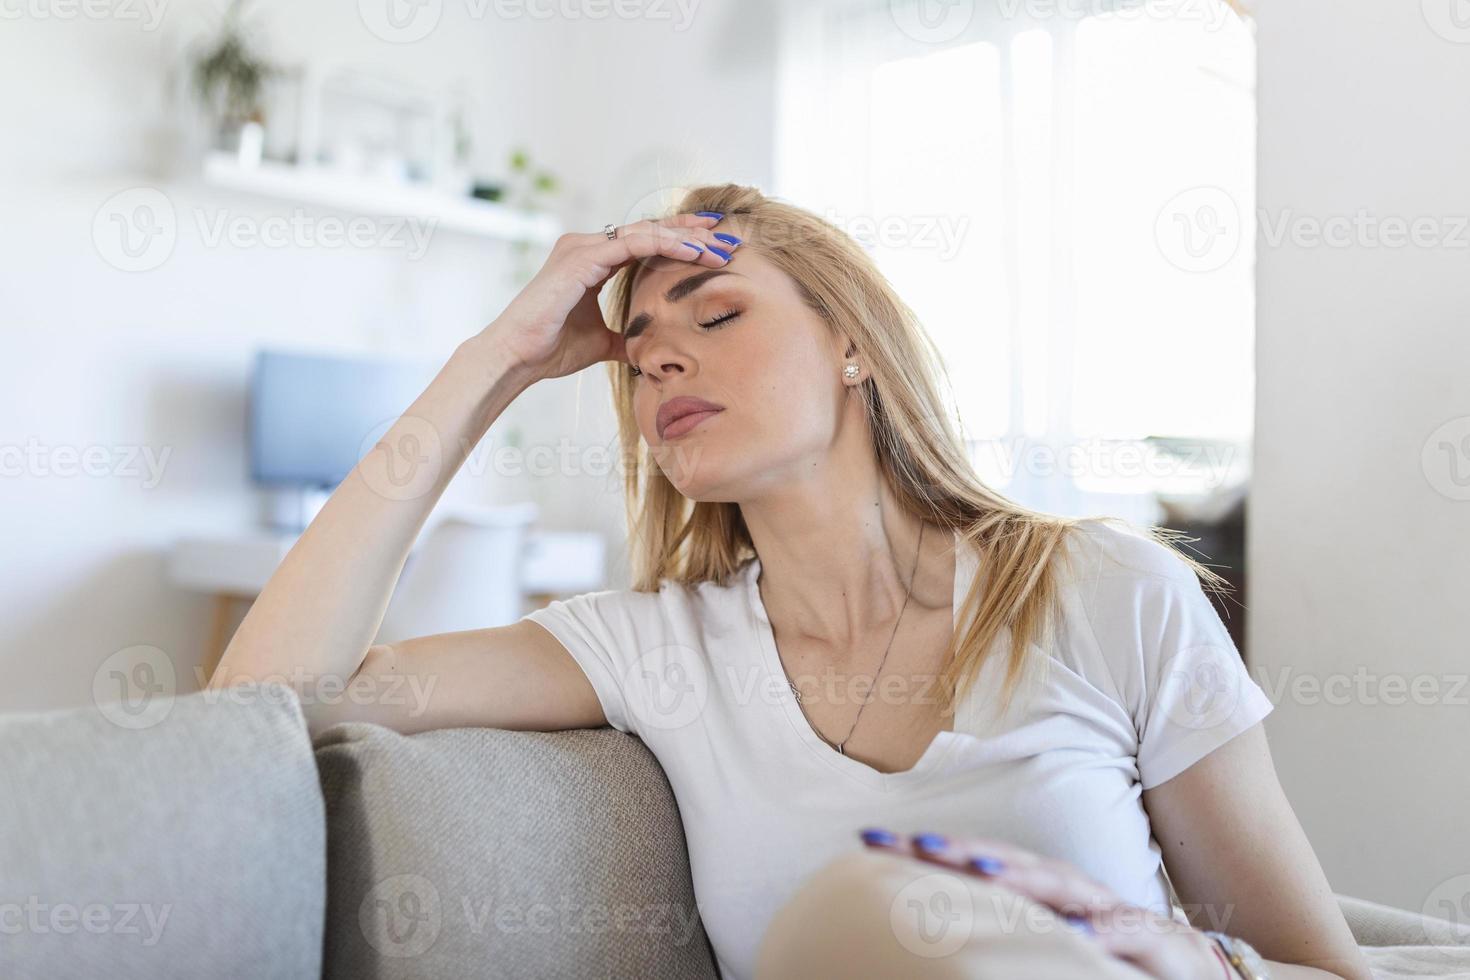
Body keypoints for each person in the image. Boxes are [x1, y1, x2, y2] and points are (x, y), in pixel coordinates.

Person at [207, 184, 1372, 980]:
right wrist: (491, 364)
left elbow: (1308, 961)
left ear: (851, 343)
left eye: (716, 311)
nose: (661, 354)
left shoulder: (1102, 589)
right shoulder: (656, 649)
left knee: (871, 909)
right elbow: (265, 700)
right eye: (640, 347)